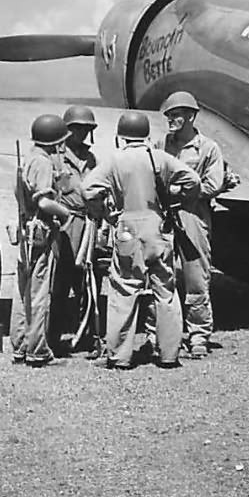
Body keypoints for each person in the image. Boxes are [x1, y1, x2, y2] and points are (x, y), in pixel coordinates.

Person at [82, 110, 198, 369]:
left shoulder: (115, 161)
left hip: (127, 229)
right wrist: (179, 201)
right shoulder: (159, 158)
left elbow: (88, 189)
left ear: (121, 136)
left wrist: (104, 213)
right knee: (165, 291)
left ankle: (120, 356)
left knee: (124, 289)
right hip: (158, 227)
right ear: (145, 134)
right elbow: (193, 180)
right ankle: (169, 355)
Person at [157, 90, 225, 359]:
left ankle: (198, 335)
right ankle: (164, 333)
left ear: (190, 117)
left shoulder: (208, 148)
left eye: (175, 115)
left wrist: (179, 191)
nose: (170, 120)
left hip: (193, 215)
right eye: (169, 116)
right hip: (165, 216)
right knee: (163, 274)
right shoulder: (162, 144)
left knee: (196, 276)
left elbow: (213, 184)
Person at [9, 114, 75, 366]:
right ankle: (37, 350)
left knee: (22, 292)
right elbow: (44, 201)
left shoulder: (28, 159)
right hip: (40, 232)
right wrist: (65, 213)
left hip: (25, 230)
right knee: (38, 294)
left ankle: (20, 346)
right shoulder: (44, 163)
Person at [50, 105, 100, 353]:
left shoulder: (91, 158)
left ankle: (88, 337)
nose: (81, 133)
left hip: (88, 225)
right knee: (58, 284)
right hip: (64, 226)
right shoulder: (55, 158)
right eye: (76, 128)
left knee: (88, 284)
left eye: (86, 129)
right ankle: (53, 337)